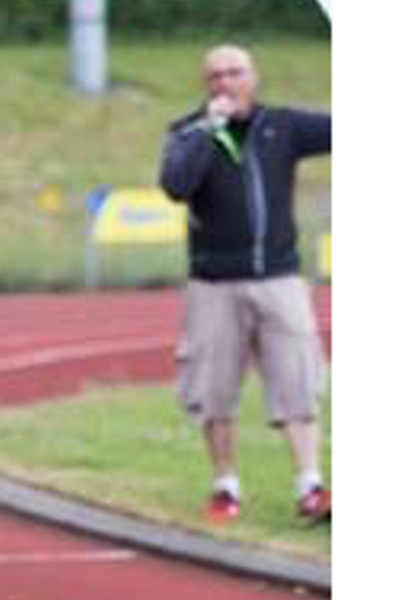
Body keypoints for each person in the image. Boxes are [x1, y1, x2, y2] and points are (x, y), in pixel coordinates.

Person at [158, 44, 332, 524]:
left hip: (279, 277)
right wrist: (207, 131)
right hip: (213, 283)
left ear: (253, 77)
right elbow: (175, 184)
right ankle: (225, 486)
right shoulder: (188, 132)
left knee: (297, 377)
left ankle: (310, 485)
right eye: (215, 75)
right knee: (213, 389)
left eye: (234, 72)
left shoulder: (282, 126)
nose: (225, 82)